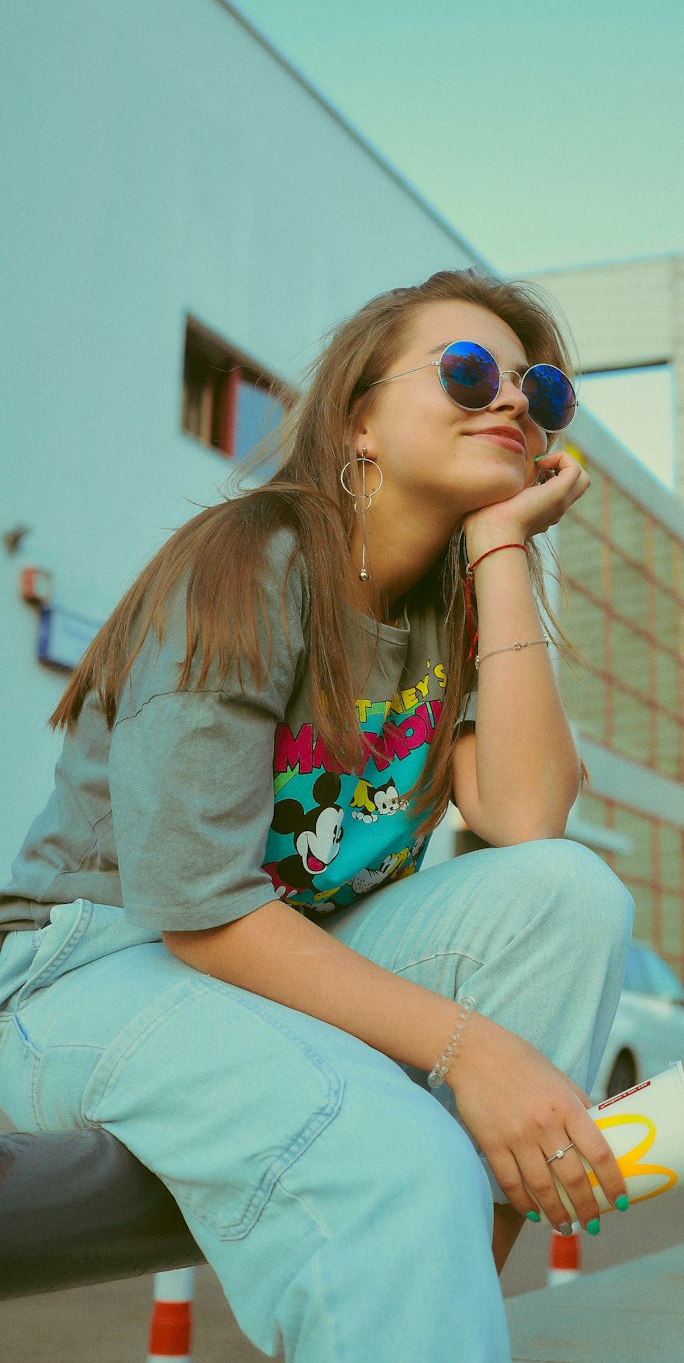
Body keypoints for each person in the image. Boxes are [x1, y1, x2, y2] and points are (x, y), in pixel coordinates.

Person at [0, 269, 634, 1362]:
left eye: (541, 393)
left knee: (570, 897)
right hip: (90, 965)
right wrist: (470, 1051)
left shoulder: (459, 599)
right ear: (359, 420)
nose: (514, 405)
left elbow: (529, 823)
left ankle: (406, 1316)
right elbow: (197, 905)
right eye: (469, 373)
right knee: (397, 1155)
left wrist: (499, 553)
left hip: (285, 961)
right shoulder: (247, 556)